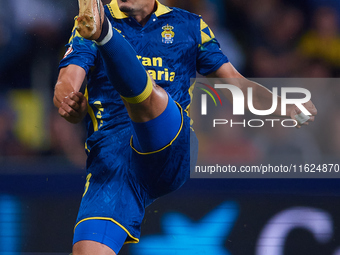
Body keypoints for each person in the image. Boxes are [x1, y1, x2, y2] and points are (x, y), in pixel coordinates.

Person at [53, 0, 317, 254]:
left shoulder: (189, 26)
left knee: (150, 97)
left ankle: (108, 38)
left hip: (172, 148)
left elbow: (237, 83)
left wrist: (283, 104)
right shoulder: (90, 21)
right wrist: (70, 103)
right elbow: (66, 82)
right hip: (114, 166)